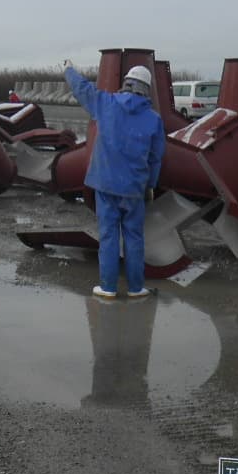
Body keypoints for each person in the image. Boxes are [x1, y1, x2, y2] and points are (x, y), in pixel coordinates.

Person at [64, 60, 166, 298]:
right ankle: (135, 287)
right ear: (146, 89)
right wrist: (150, 186)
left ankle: (108, 287)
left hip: (105, 184)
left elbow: (82, 89)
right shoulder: (154, 120)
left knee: (108, 236)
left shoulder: (106, 103)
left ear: (126, 84)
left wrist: (69, 69)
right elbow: (155, 158)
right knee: (134, 237)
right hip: (134, 189)